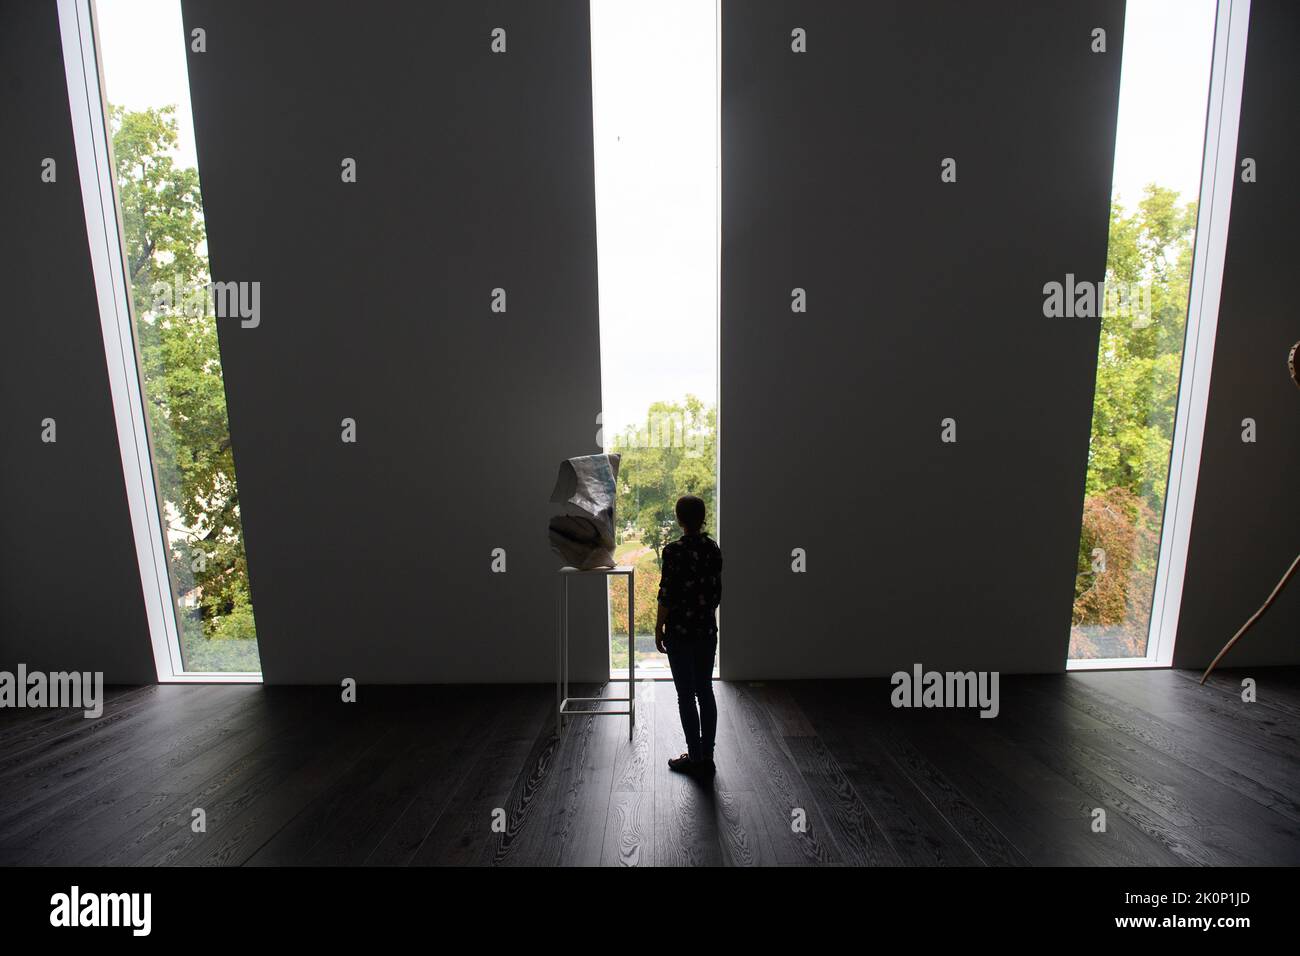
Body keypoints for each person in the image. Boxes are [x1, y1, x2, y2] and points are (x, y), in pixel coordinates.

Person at [654, 494, 722, 775]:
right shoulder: (713, 549)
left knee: (686, 695)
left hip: (681, 633)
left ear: (679, 519)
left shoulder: (673, 552)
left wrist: (659, 627)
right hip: (706, 630)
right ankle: (707, 755)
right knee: (705, 690)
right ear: (703, 517)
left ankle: (694, 757)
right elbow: (716, 594)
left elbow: (667, 595)